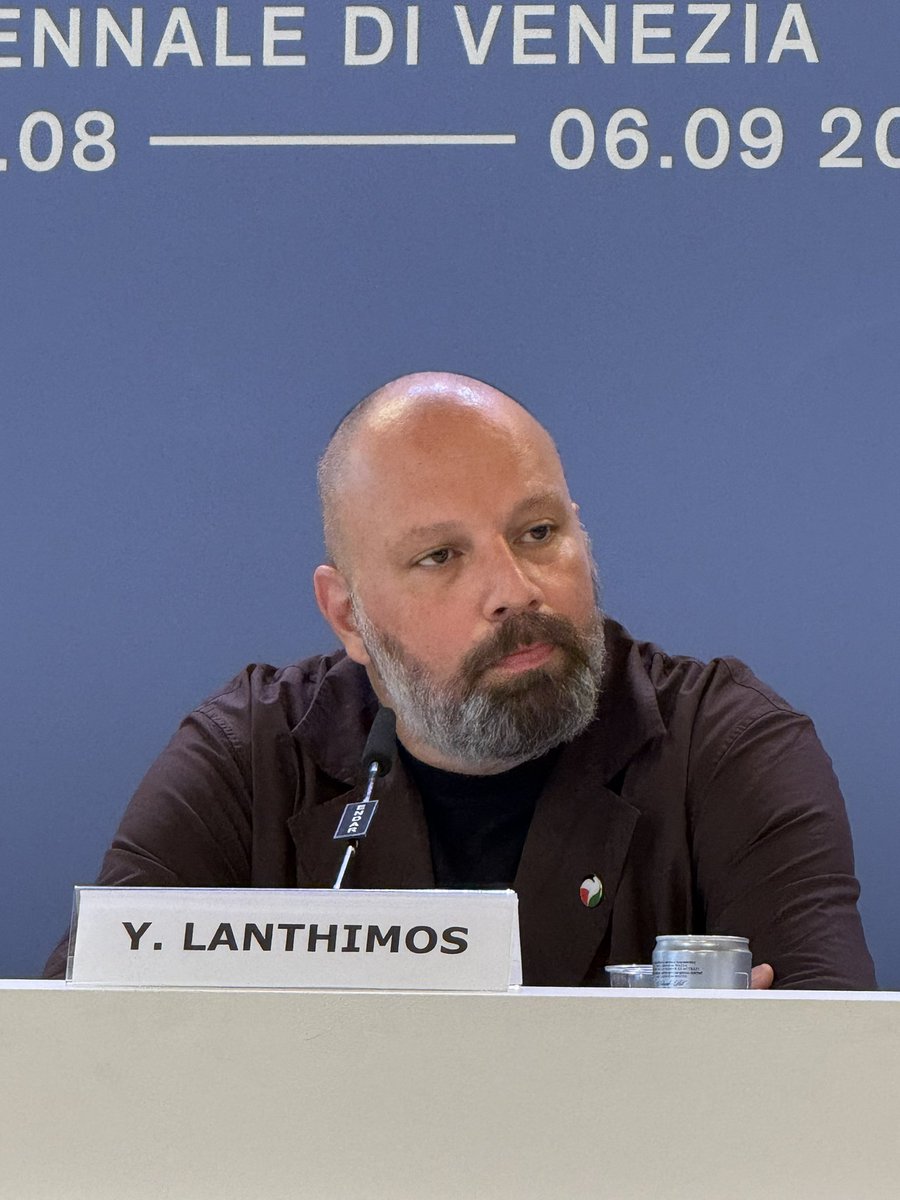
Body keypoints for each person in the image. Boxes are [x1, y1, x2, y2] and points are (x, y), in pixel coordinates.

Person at [44, 372, 876, 987]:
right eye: (441, 557)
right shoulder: (249, 757)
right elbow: (76, 1068)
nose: (515, 589)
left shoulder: (724, 745)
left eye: (539, 531)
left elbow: (831, 1097)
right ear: (347, 617)